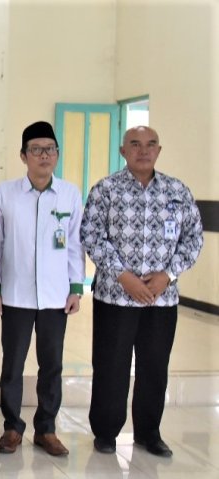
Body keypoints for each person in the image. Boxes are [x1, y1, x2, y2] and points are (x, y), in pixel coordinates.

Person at [81, 126, 203, 457]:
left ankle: (149, 432)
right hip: (115, 296)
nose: (143, 151)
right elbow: (91, 235)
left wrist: (169, 274)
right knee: (110, 365)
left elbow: (194, 238)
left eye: (150, 145)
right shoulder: (105, 190)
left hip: (162, 300)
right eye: (135, 145)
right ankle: (105, 432)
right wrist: (123, 276)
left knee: (154, 366)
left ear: (159, 151)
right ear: (123, 151)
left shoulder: (177, 191)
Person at [0, 121, 84, 457]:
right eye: (37, 149)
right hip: (15, 295)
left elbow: (74, 245)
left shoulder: (70, 193)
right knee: (12, 365)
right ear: (23, 156)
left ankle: (47, 429)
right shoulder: (5, 193)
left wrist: (76, 288)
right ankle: (12, 428)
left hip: (56, 297)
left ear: (57, 155)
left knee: (52, 364)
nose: (45, 155)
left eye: (50, 149)